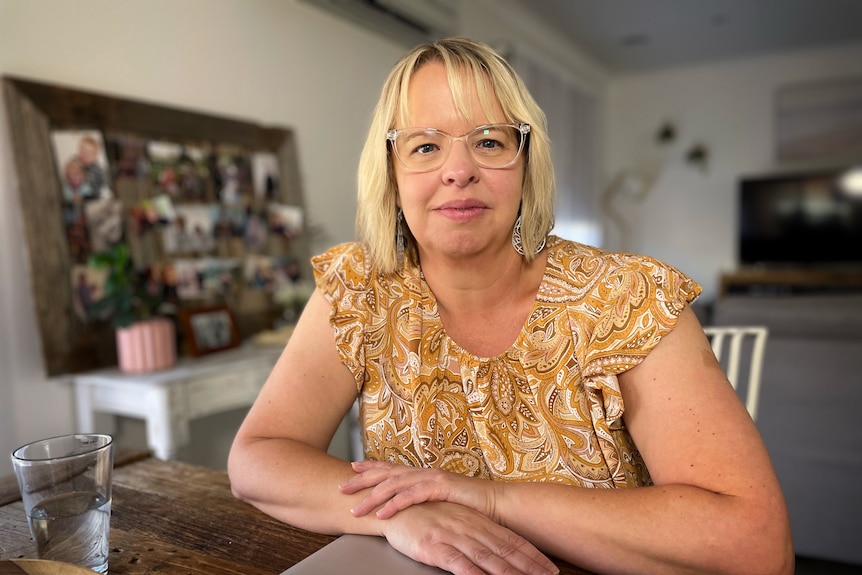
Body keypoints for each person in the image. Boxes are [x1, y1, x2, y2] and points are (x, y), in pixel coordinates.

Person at [228, 37, 793, 575]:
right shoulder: (359, 287)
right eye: (425, 146)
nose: (458, 170)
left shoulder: (626, 298)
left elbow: (755, 545)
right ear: (391, 173)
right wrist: (402, 514)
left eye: (489, 142)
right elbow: (257, 458)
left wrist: (492, 501)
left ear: (526, 165)